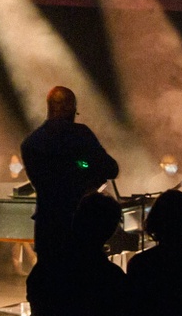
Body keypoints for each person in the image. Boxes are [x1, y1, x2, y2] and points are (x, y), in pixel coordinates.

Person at [19, 86, 119, 262]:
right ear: (71, 107)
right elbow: (110, 168)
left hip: (47, 229)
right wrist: (83, 164)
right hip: (80, 226)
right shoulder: (81, 135)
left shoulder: (30, 143)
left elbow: (41, 181)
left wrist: (78, 164)